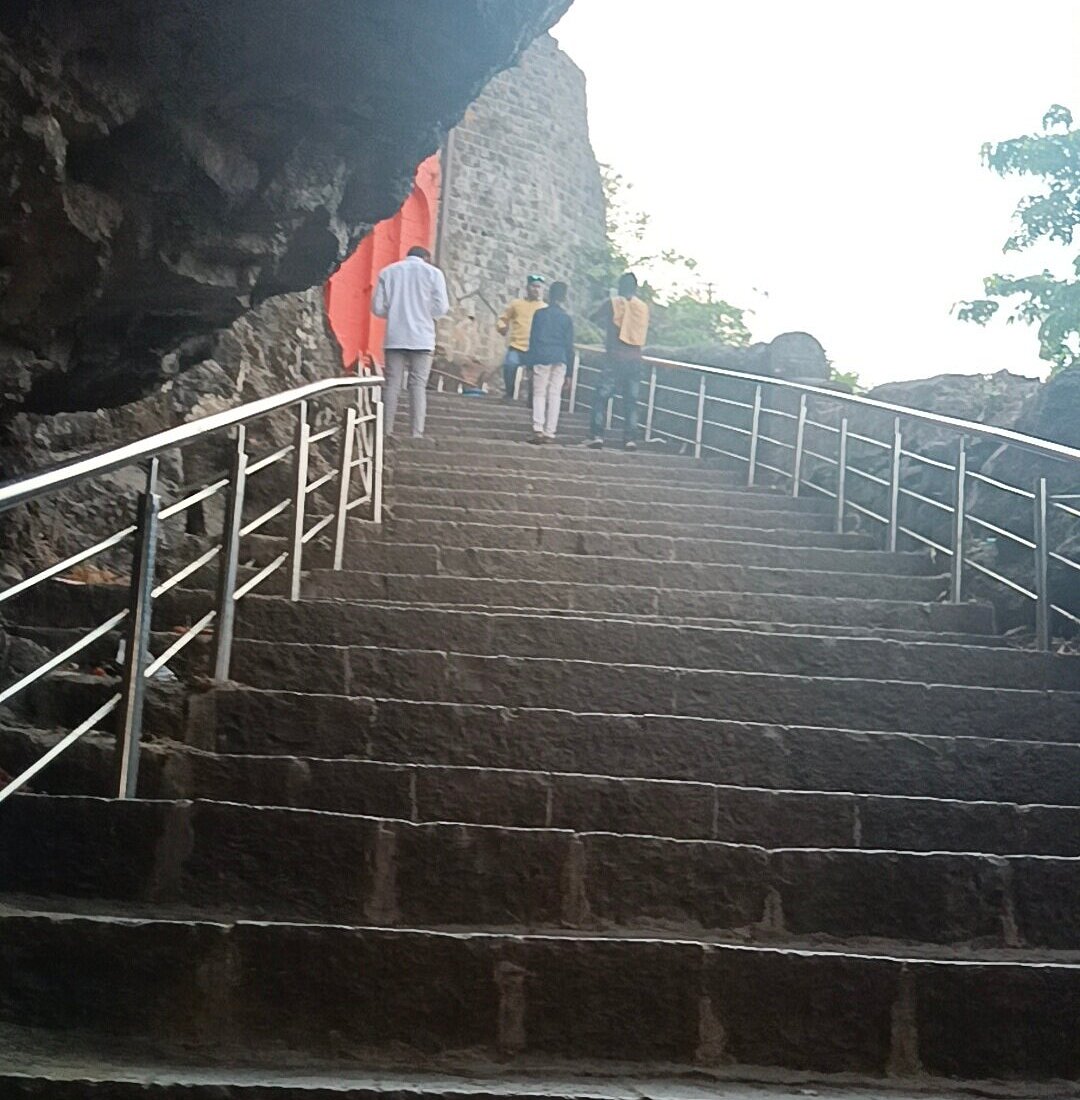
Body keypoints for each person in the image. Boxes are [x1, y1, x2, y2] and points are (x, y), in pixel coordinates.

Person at [372, 245, 449, 438]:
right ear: (425, 257)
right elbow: (442, 308)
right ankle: (416, 432)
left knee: (392, 384)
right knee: (418, 385)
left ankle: (385, 430)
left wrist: (395, 312)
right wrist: (425, 313)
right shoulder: (434, 274)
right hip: (422, 337)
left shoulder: (388, 272)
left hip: (395, 336)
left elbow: (377, 308)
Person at [586, 272, 650, 451]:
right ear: (636, 288)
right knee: (631, 401)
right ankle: (630, 439)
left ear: (620, 287)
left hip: (614, 358)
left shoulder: (612, 303)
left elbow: (592, 317)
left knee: (601, 397)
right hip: (636, 359)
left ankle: (597, 435)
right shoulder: (643, 307)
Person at [525, 281, 574, 444]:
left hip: (541, 356)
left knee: (539, 393)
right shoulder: (567, 318)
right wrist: (570, 373)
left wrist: (529, 364)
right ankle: (550, 432)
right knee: (555, 395)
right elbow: (569, 346)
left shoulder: (540, 314)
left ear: (549, 295)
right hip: (560, 358)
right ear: (564, 297)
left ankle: (537, 427)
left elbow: (533, 340)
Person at [496, 275, 546, 401]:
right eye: (534, 286)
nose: (536, 290)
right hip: (516, 345)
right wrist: (502, 327)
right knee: (509, 366)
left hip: (535, 348)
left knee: (534, 375)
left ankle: (531, 399)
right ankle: (509, 393)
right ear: (527, 287)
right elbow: (503, 318)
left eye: (539, 287)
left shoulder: (544, 308)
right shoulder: (516, 304)